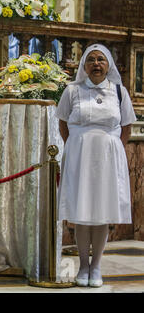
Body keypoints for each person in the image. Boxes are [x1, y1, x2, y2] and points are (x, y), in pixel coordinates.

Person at [56, 44, 136, 287]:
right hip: (80, 156)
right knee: (82, 213)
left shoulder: (119, 91)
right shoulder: (72, 91)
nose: (96, 64)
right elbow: (63, 124)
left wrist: (112, 149)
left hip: (108, 158)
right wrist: (77, 146)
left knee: (102, 213)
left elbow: (126, 128)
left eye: (101, 59)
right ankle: (82, 266)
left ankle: (96, 266)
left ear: (108, 64)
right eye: (91, 59)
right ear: (84, 65)